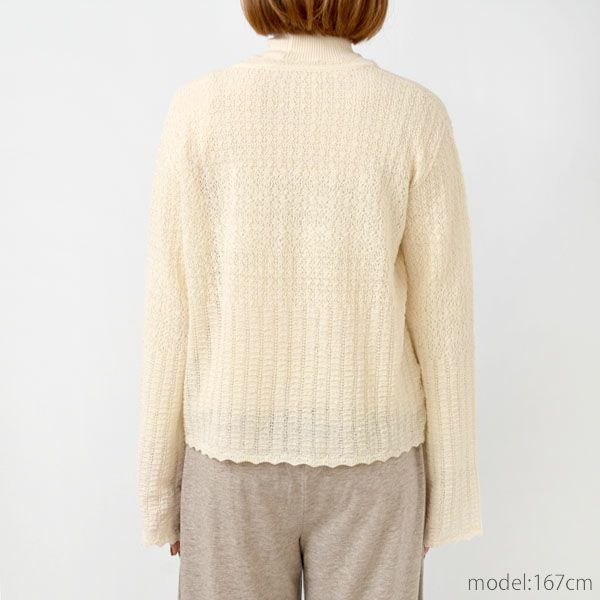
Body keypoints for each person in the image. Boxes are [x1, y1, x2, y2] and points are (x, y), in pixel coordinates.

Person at [137, 0, 483, 598]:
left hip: (230, 461)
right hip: (375, 462)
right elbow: (443, 317)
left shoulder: (200, 107)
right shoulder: (412, 113)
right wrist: (448, 494)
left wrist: (158, 491)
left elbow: (171, 305)